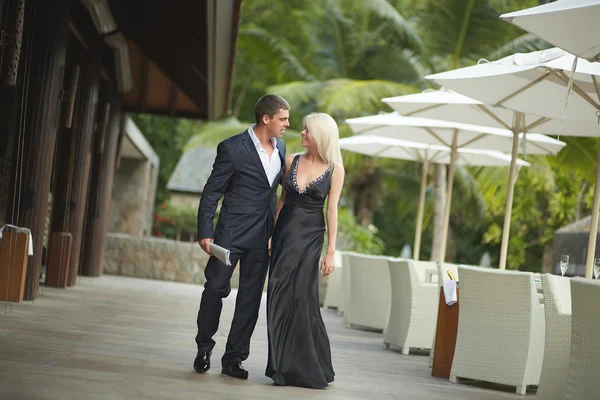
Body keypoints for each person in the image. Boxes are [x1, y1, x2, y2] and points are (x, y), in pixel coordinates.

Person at [194, 94, 290, 379]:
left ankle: (234, 358)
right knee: (214, 288)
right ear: (266, 118)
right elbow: (212, 192)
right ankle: (203, 347)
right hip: (230, 234)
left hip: (263, 237)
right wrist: (205, 232)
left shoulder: (282, 148)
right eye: (283, 119)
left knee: (249, 299)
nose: (287, 124)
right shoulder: (233, 148)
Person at [265, 112, 345, 389]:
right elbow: (282, 201)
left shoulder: (335, 169)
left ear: (320, 135)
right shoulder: (291, 161)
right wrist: (272, 234)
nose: (301, 133)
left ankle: (308, 365)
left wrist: (331, 251)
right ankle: (280, 365)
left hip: (310, 239)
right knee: (276, 293)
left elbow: (331, 210)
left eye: (307, 130)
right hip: (285, 236)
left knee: (302, 298)